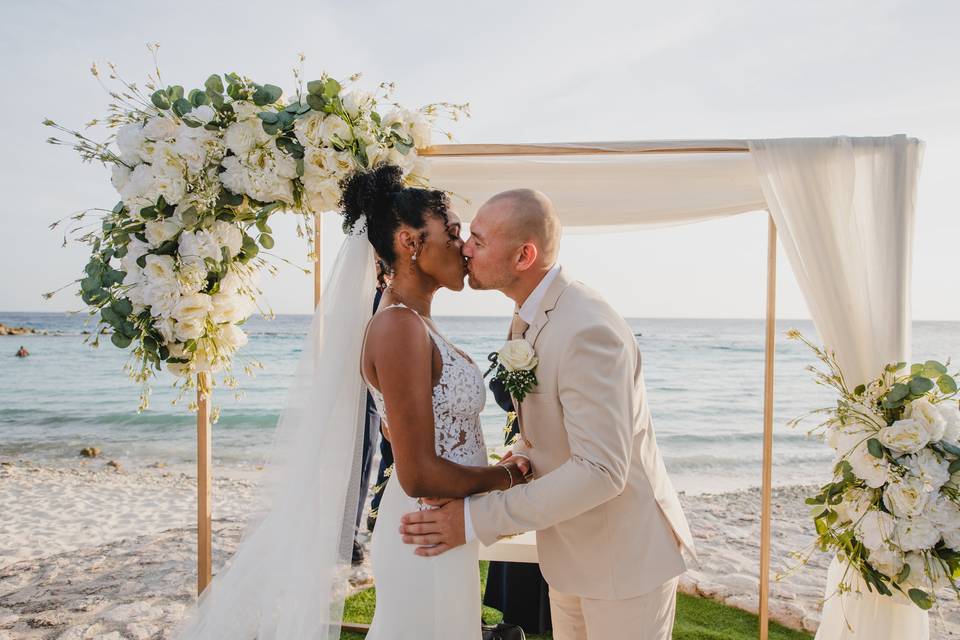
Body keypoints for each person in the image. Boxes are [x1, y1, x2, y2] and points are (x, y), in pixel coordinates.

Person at [399, 189, 697, 640]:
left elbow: (600, 470)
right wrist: (520, 456)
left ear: (524, 255)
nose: (465, 248)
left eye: (478, 240)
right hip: (570, 556)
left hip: (624, 564)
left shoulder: (587, 326)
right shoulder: (528, 314)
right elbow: (551, 420)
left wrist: (477, 519)